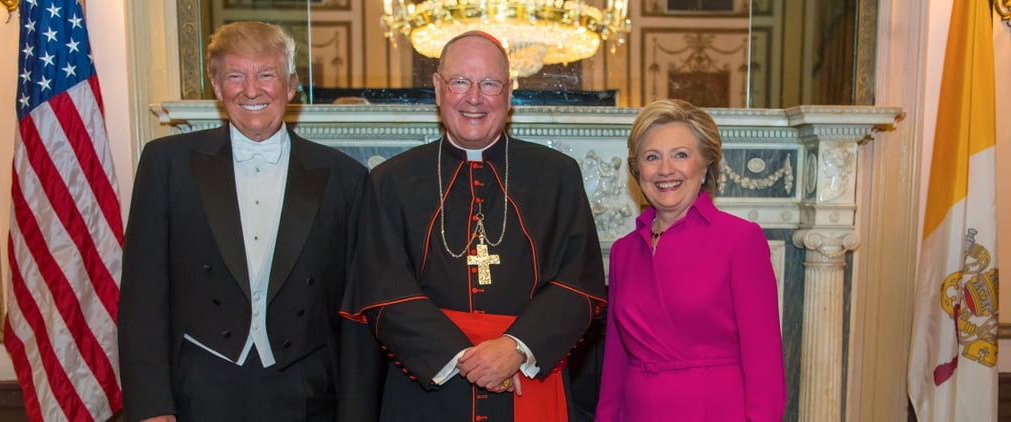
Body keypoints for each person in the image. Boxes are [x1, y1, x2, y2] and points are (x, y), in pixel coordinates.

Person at [118, 21, 379, 422]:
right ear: (217, 87)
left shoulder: (344, 176)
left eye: (267, 75)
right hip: (199, 390)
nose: (252, 89)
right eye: (236, 76)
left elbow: (357, 310)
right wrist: (152, 407)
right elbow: (142, 297)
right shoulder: (166, 164)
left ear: (291, 86)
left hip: (307, 394)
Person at [341, 30, 607, 422]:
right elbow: (382, 288)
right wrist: (462, 357)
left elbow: (579, 283)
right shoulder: (392, 180)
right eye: (461, 82)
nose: (474, 98)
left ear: (510, 92)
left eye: (489, 84)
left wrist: (517, 348)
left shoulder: (557, 176)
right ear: (437, 88)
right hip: (429, 386)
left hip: (528, 377)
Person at [596, 99, 786, 421]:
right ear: (638, 169)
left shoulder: (740, 240)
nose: (665, 170)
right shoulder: (624, 251)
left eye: (681, 155)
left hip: (714, 411)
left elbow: (765, 364)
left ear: (706, 165)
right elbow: (615, 361)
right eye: (652, 157)